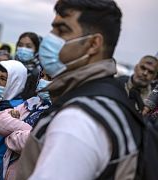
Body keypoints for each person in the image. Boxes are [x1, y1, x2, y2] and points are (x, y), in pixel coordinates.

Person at [16, 0, 143, 179]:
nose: (50, 38)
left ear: (93, 45)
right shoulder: (108, 98)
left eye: (62, 31)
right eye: (53, 29)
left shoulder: (76, 121)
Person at [0, 70, 52, 180]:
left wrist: (10, 134)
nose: (43, 81)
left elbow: (32, 143)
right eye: (42, 76)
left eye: (50, 78)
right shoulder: (32, 102)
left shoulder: (60, 111)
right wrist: (32, 131)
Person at [15, 32, 41, 100]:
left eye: (28, 46)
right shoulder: (9, 68)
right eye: (20, 45)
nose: (23, 49)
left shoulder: (40, 74)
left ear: (36, 50)